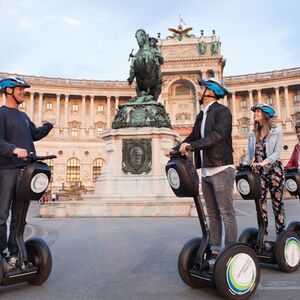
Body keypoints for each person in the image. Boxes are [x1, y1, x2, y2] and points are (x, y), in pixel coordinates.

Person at [165, 77, 237, 256]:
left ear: (211, 91)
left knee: (226, 212)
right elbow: (193, 137)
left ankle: (231, 252)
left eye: (202, 87)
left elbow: (217, 136)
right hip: (206, 170)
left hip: (221, 168)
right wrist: (175, 149)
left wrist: (191, 147)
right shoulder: (202, 115)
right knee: (212, 213)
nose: (199, 90)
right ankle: (214, 250)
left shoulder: (223, 112)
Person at [0, 76, 55, 267]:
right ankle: (2, 252)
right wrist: (13, 149)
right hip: (7, 170)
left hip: (25, 171)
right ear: (8, 91)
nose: (24, 92)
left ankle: (16, 254)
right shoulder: (1, 114)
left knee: (20, 214)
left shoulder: (23, 116)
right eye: (20, 89)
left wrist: (48, 125)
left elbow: (35, 134)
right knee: (2, 214)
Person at [243, 103, 285, 238]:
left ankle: (281, 235)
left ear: (266, 115)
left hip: (275, 171)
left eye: (258, 112)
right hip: (259, 173)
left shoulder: (276, 132)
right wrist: (244, 165)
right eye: (255, 112)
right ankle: (263, 235)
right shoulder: (252, 134)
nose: (255, 114)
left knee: (277, 204)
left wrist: (263, 162)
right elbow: (249, 155)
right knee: (261, 206)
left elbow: (277, 153)